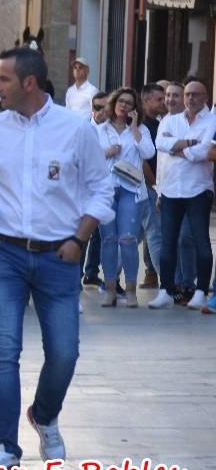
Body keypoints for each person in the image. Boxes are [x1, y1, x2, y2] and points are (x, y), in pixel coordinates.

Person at [0, 47, 112, 470]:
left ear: (29, 83)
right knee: (4, 352)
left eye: (2, 80)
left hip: (59, 254)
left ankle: (43, 416)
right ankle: (6, 446)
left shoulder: (76, 129)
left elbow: (102, 190)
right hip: (2, 252)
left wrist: (80, 239)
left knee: (64, 352)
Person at [148, 81, 216, 310]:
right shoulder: (170, 120)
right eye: (187, 94)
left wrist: (176, 147)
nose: (190, 98)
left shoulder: (212, 121)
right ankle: (166, 290)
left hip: (198, 189)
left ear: (205, 96)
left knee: (200, 242)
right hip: (170, 190)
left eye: (195, 94)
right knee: (168, 243)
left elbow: (204, 152)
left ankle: (199, 291)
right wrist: (188, 144)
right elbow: (160, 144)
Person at [95, 88, 153, 307]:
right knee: (108, 239)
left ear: (135, 108)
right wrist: (107, 152)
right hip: (107, 189)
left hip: (132, 189)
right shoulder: (100, 129)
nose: (124, 106)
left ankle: (130, 290)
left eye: (129, 103)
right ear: (113, 103)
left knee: (128, 239)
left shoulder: (141, 131)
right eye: (121, 101)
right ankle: (110, 288)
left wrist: (135, 128)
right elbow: (88, 156)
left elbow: (148, 153)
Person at [139, 82, 168, 289]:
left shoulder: (159, 124)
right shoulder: (142, 126)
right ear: (146, 100)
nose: (163, 102)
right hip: (148, 186)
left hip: (156, 186)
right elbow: (143, 163)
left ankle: (152, 274)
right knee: (155, 234)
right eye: (159, 99)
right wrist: (154, 185)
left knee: (140, 236)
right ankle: (168, 284)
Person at [80, 91, 110, 287]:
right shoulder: (83, 128)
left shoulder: (113, 129)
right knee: (82, 234)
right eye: (97, 107)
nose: (101, 112)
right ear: (92, 109)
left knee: (100, 234)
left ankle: (92, 271)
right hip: (85, 188)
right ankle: (76, 277)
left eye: (105, 108)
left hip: (106, 188)